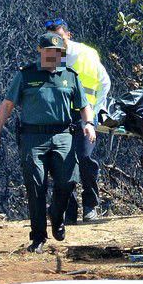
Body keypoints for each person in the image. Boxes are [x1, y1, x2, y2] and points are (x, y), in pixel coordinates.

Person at [0, 32, 96, 253]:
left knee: (67, 182)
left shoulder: (70, 76)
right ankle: (38, 237)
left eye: (57, 53)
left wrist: (89, 123)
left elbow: (84, 105)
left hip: (63, 136)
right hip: (33, 138)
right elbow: (6, 106)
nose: (52, 56)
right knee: (35, 185)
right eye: (48, 52)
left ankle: (56, 214)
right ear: (40, 51)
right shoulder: (26, 75)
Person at [45, 18, 111, 223]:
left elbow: (104, 82)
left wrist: (97, 110)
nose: (56, 41)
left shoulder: (86, 53)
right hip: (60, 118)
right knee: (63, 163)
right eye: (52, 38)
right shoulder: (50, 56)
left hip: (85, 116)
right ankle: (68, 210)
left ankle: (90, 205)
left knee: (84, 157)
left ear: (68, 35)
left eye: (60, 36)